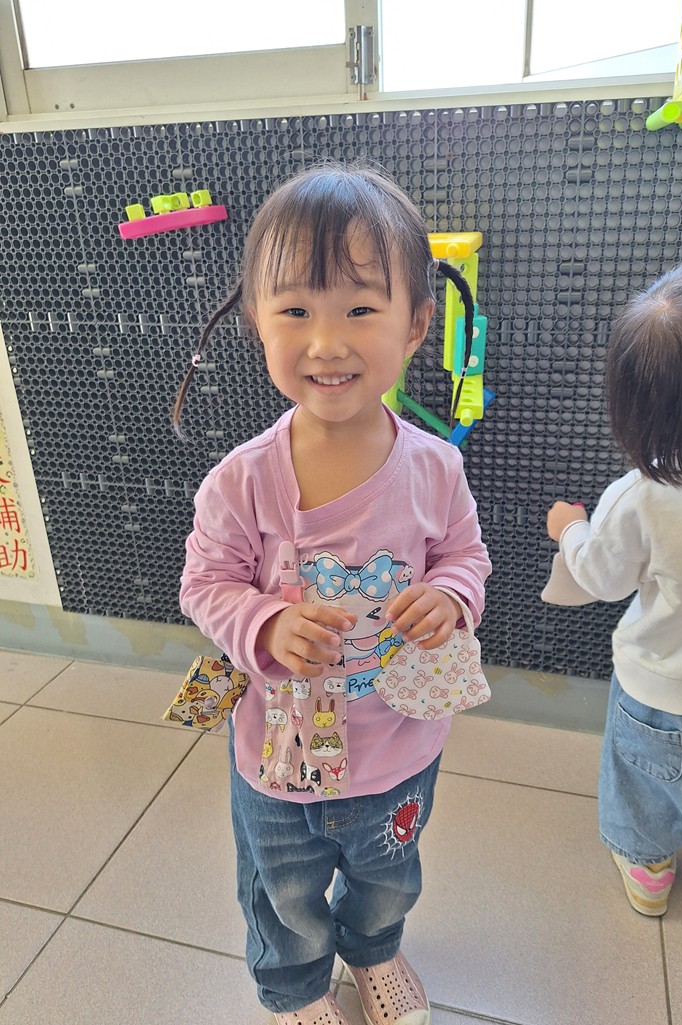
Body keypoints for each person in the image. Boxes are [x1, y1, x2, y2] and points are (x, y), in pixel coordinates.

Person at [174, 163, 491, 1025]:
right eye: (294, 311)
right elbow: (205, 582)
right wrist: (265, 622)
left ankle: (374, 949)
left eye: (358, 310)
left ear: (415, 322)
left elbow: (465, 555)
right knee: (283, 890)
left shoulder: (435, 468)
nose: (325, 343)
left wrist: (450, 597)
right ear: (255, 319)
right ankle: (296, 987)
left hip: (399, 744)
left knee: (389, 875)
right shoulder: (240, 481)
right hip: (278, 758)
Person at [545, 259, 682, 920]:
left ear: (636, 406)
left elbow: (601, 577)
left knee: (645, 787)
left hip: (659, 686)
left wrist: (570, 528)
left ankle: (648, 870)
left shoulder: (638, 497)